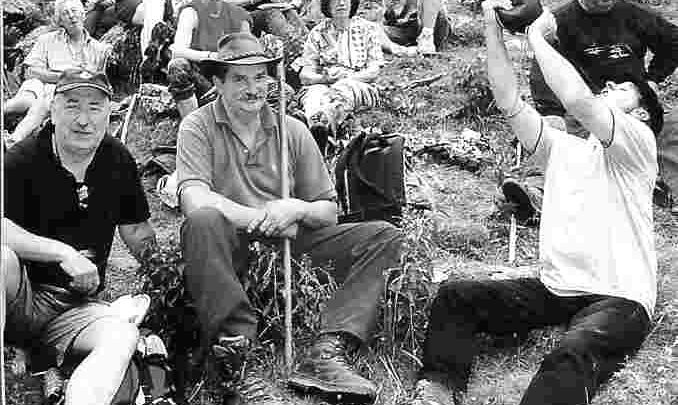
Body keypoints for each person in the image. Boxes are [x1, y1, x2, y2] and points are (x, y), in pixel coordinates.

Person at [409, 3, 662, 405]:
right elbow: (508, 101)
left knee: (573, 352)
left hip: (620, 296)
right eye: (608, 85)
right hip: (558, 289)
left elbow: (578, 101)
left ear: (643, 111)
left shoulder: (638, 144)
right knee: (456, 297)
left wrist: (537, 38)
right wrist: (493, 28)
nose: (610, 87)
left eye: (623, 87)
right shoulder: (565, 150)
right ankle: (438, 389)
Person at [176, 32, 403, 404]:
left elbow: (327, 211)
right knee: (202, 223)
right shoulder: (197, 127)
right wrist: (261, 217)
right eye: (239, 79)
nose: (253, 88)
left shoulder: (292, 129)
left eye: (260, 77)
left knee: (384, 236)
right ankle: (239, 360)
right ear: (217, 82)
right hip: (231, 245)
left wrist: (296, 209)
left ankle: (327, 352)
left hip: (292, 241)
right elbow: (194, 199)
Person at [2, 69, 156, 405]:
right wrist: (62, 253)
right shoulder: (21, 159)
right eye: (72, 106)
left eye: (95, 107)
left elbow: (136, 231)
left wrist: (170, 279)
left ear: (109, 114)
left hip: (74, 308)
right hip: (18, 297)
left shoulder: (118, 160)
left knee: (122, 334)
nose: (83, 120)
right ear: (53, 111)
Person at [505, 0, 678, 218]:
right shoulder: (558, 21)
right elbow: (543, 70)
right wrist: (551, 113)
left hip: (632, 107)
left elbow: (673, 41)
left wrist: (653, 79)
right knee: (557, 140)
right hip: (584, 113)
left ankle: (672, 190)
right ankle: (537, 191)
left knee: (672, 129)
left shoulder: (636, 14)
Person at [2, 0, 111, 147]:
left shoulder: (99, 49)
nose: (71, 16)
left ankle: (13, 139)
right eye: (66, 13)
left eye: (74, 11)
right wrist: (62, 76)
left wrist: (66, 81)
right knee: (27, 96)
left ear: (83, 14)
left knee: (49, 98)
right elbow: (31, 72)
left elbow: (99, 83)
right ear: (60, 21)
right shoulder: (46, 40)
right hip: (39, 85)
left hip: (66, 91)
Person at [293, 0, 383, 150]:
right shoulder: (317, 33)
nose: (341, 3)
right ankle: (317, 130)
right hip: (325, 82)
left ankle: (322, 127)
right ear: (327, 5)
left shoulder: (368, 29)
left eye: (345, 0)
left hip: (359, 83)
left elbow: (374, 70)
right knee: (314, 94)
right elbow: (305, 75)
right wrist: (325, 79)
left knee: (342, 90)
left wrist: (348, 78)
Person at [167, 0, 252, 118]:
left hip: (232, 81)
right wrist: (211, 56)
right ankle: (192, 126)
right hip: (200, 80)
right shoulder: (191, 12)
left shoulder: (239, 15)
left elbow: (249, 55)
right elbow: (177, 51)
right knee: (177, 66)